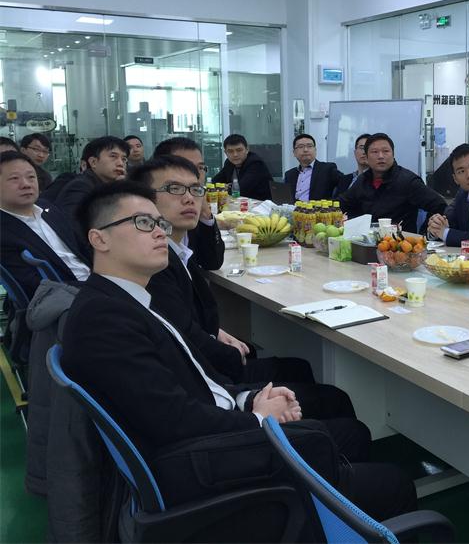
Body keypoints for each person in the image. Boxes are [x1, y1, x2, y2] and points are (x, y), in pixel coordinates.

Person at [61, 181, 417, 519]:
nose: (159, 232)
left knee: (351, 434)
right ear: (99, 238)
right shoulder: (103, 320)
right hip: (200, 467)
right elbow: (172, 419)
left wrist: (250, 399)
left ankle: (331, 497)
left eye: (158, 223)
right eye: (143, 223)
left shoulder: (128, 300)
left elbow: (193, 384)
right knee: (392, 482)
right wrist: (258, 419)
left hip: (208, 433)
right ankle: (324, 510)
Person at [134, 156, 359, 422]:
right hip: (213, 391)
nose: (189, 198)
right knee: (335, 401)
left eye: (196, 189)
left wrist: (216, 333)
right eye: (174, 189)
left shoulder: (178, 250)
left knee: (299, 369)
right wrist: (244, 392)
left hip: (210, 376)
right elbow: (185, 339)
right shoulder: (155, 265)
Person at [0, 151, 91, 300]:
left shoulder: (48, 209)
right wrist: (97, 288)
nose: (26, 184)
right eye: (14, 178)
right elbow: (35, 286)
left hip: (95, 283)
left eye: (31, 177)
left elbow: (82, 248)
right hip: (64, 301)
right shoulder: (4, 233)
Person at [339, 132, 446, 230]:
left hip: (399, 242)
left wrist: (425, 234)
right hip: (366, 240)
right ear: (366, 157)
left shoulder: (408, 181)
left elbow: (439, 205)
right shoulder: (363, 180)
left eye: (386, 151)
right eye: (374, 152)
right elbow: (341, 204)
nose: (381, 156)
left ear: (393, 154)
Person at [153, 136, 223, 271]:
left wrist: (206, 214)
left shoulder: (190, 214)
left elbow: (212, 262)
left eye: (200, 168)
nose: (196, 175)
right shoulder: (151, 232)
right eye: (186, 166)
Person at [53, 136, 127, 216]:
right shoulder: (80, 186)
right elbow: (73, 222)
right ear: (93, 162)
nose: (120, 163)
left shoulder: (108, 186)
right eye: (113, 156)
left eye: (123, 159)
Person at [211, 134, 272, 201]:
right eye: (230, 151)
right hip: (240, 202)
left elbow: (240, 191)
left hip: (261, 204)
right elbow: (214, 182)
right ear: (225, 152)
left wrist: (226, 187)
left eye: (239, 150)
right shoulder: (229, 163)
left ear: (247, 149)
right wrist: (226, 187)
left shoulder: (256, 164)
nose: (235, 155)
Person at [284, 134, 343, 201]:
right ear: (294, 153)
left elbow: (345, 183)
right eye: (301, 147)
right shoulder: (289, 174)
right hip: (292, 207)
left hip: (316, 207)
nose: (305, 150)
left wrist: (333, 203)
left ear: (315, 150)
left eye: (309, 146)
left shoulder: (327, 169)